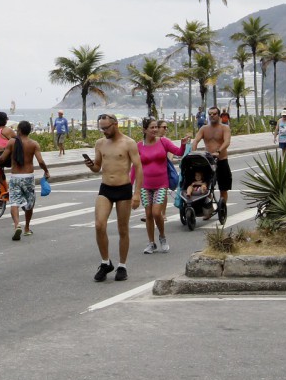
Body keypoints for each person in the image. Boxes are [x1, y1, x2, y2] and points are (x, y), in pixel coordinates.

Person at [83, 113, 142, 283]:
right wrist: (90, 166)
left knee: (122, 229)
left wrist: (136, 193)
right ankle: (105, 262)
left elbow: (138, 168)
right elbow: (97, 167)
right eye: (101, 128)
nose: (103, 131)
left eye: (106, 128)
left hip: (123, 189)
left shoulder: (128, 143)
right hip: (105, 188)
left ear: (115, 124)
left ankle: (122, 265)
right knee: (99, 225)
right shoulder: (100, 143)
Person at [0, 121, 50, 240]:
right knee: (29, 204)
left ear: (18, 130)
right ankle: (27, 228)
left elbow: (3, 158)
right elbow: (40, 161)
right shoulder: (34, 144)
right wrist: (46, 171)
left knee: (14, 202)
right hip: (28, 177)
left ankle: (17, 225)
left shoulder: (12, 142)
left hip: (15, 177)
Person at [135, 117, 182, 254]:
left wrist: (184, 144)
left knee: (156, 212)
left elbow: (178, 152)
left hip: (161, 184)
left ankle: (162, 237)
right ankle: (151, 243)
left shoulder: (163, 141)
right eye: (152, 127)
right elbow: (135, 167)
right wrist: (133, 187)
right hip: (145, 185)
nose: (155, 130)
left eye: (156, 127)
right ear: (144, 130)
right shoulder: (139, 146)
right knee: (148, 214)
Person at [190, 106, 232, 222]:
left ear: (218, 115)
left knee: (224, 188)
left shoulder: (225, 128)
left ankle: (222, 207)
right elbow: (196, 140)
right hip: (208, 162)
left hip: (221, 160)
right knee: (207, 187)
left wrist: (218, 151)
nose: (212, 116)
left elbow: (227, 141)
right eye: (210, 114)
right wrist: (193, 151)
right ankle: (208, 210)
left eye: (214, 114)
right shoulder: (204, 128)